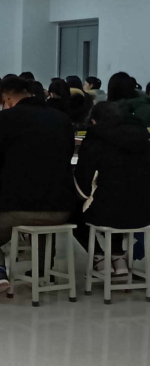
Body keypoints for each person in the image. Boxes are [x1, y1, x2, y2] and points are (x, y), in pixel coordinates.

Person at [0, 76, 76, 301]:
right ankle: (43, 270)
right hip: (61, 207)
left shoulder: (5, 118)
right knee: (43, 225)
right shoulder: (62, 119)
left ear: (7, 98)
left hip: (14, 206)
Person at [74, 102, 150, 276]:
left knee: (74, 211)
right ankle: (118, 257)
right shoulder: (143, 139)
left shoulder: (94, 140)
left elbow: (83, 189)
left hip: (108, 214)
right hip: (144, 214)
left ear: (93, 121)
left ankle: (99, 258)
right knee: (118, 199)